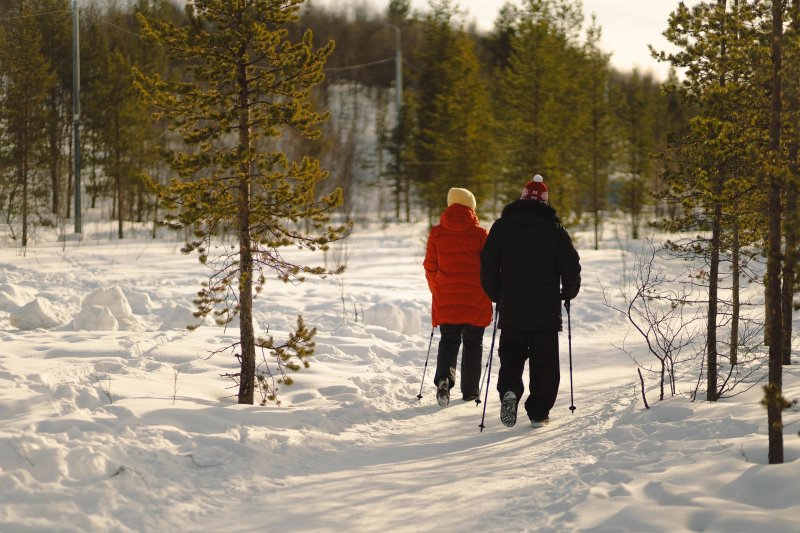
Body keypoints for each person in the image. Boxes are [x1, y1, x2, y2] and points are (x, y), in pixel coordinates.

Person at [480, 174, 581, 427]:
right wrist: (568, 292)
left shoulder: (502, 227)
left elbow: (488, 265)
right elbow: (571, 266)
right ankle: (538, 413)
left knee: (511, 356)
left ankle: (509, 392)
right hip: (545, 311)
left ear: (522, 199)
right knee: (544, 363)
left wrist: (495, 294)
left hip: (512, 307)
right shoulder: (555, 230)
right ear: (545, 202)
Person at [424, 187, 493, 407]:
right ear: (471, 206)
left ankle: (444, 378)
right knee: (473, 342)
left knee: (449, 340)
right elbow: (490, 267)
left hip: (446, 297)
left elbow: (430, 266)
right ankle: (471, 391)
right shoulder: (481, 234)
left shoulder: (437, 233)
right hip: (476, 298)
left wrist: (438, 290)